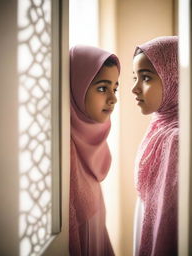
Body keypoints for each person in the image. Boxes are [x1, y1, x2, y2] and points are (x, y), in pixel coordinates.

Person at [69, 45, 120, 256]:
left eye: (115, 88)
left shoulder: (93, 140)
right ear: (77, 88)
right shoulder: (64, 150)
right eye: (102, 88)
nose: (113, 98)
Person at [132, 36, 178, 256]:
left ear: (174, 78)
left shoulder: (176, 140)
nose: (134, 88)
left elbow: (169, 221)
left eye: (146, 77)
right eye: (135, 77)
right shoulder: (160, 125)